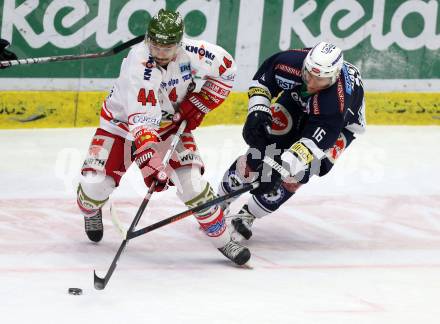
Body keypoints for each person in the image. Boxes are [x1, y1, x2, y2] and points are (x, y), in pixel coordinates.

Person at [76, 9, 250, 265]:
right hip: (120, 126)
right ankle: (91, 209)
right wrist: (151, 162)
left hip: (170, 126)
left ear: (179, 44)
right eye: (154, 45)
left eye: (166, 48)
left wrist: (201, 102)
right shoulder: (139, 65)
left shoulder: (197, 54)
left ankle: (225, 240)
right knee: (95, 186)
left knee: (192, 186)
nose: (159, 52)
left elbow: (227, 70)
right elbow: (142, 119)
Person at [219, 41, 366, 240]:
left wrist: (278, 171)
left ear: (332, 78)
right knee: (261, 147)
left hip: (340, 125)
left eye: (320, 80)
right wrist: (258, 111)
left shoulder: (335, 103)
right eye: (309, 74)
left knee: (300, 173)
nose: (312, 83)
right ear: (305, 64)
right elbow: (262, 82)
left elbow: (311, 145)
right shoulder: (289, 62)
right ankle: (219, 203)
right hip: (297, 101)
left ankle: (247, 215)